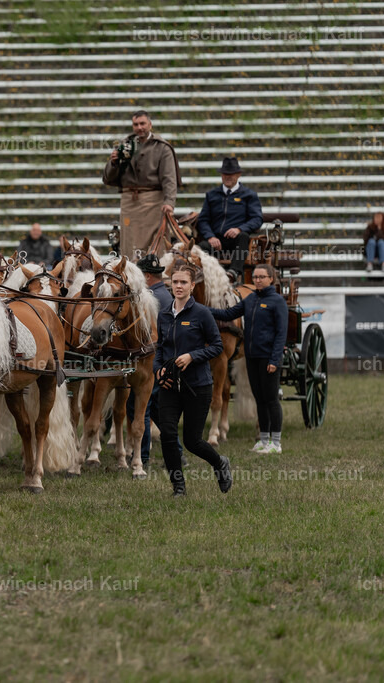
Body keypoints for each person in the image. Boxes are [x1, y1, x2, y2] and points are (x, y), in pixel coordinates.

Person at [154, 266, 231, 497]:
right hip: (169, 385)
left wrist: (192, 356)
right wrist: (158, 370)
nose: (178, 286)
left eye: (183, 283)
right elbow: (160, 349)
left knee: (192, 441)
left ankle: (219, 463)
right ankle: (178, 487)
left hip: (197, 385)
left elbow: (217, 346)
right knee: (167, 434)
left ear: (192, 286)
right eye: (175, 282)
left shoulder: (202, 313)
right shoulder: (164, 314)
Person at [208, 263, 288, 454]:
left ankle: (275, 443)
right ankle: (263, 440)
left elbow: (281, 334)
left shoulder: (277, 302)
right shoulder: (251, 299)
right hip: (252, 358)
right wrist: (204, 310)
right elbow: (228, 314)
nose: (258, 280)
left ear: (271, 279)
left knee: (271, 400)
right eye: (255, 277)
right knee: (260, 399)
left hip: (269, 358)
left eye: (262, 277)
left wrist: (274, 360)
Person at [120, 254, 178, 470]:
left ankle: (142, 456)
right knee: (155, 412)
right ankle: (176, 454)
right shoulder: (165, 295)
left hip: (153, 362)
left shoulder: (149, 297)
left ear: (145, 276)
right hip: (161, 361)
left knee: (141, 410)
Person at [102, 110, 181, 259]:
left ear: (150, 125)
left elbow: (169, 178)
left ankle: (155, 275)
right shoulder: (125, 145)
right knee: (129, 243)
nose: (139, 127)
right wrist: (113, 163)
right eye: (136, 124)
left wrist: (169, 202)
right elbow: (108, 178)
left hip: (153, 200)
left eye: (142, 123)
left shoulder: (162, 147)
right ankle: (131, 275)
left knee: (153, 242)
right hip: (128, 201)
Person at [195, 157, 263, 283]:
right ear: (221, 175)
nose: (228, 177)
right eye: (225, 174)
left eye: (231, 174)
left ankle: (234, 272)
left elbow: (257, 219)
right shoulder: (212, 195)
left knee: (243, 237)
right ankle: (204, 279)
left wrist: (239, 229)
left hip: (236, 240)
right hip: (215, 241)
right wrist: (210, 237)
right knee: (199, 248)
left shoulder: (249, 195)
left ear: (238, 175)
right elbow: (203, 220)